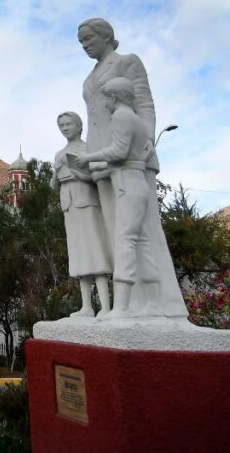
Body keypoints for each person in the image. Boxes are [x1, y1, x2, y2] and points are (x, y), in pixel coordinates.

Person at [77, 17, 187, 318]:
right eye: (81, 41)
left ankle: (163, 303)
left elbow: (144, 104)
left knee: (142, 230)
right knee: (117, 232)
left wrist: (147, 137)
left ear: (106, 35)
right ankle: (130, 303)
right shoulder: (89, 78)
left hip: (130, 156)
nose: (84, 45)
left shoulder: (127, 62)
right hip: (101, 156)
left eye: (88, 38)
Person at [76, 79, 161, 318]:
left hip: (128, 187)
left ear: (113, 96)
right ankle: (153, 303)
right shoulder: (137, 120)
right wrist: (100, 167)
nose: (104, 104)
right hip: (133, 182)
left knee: (125, 241)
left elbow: (119, 151)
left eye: (105, 98)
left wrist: (89, 158)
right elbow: (131, 157)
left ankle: (122, 307)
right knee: (140, 242)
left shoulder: (122, 117)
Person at [50, 111, 112, 317]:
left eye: (68, 124)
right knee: (79, 254)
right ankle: (86, 307)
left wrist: (80, 174)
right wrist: (56, 172)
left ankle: (106, 307)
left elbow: (100, 175)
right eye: (61, 126)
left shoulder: (89, 149)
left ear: (79, 126)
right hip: (69, 204)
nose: (65, 128)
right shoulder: (59, 154)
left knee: (96, 250)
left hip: (88, 201)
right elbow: (53, 186)